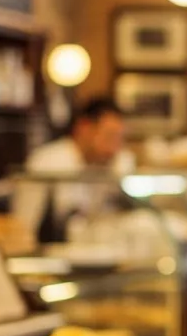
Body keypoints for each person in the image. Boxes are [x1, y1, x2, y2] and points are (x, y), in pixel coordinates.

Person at [11, 98, 133, 243]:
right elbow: (23, 226)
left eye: (119, 139)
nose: (114, 148)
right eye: (109, 137)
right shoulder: (46, 162)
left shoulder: (118, 164)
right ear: (84, 128)